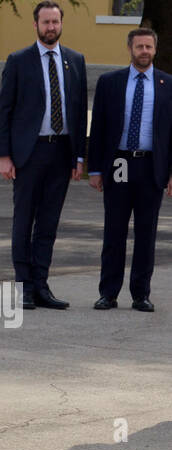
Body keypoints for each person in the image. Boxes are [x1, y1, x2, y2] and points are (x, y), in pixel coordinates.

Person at [0, 1, 87, 310]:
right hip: (28, 153)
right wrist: (4, 155)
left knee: (48, 223)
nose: (51, 27)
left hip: (61, 152)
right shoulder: (19, 61)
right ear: (35, 25)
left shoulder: (75, 61)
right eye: (46, 22)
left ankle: (42, 285)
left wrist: (79, 157)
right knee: (24, 220)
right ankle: (24, 287)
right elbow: (4, 110)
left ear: (61, 24)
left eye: (55, 22)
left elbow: (78, 111)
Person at [87, 27, 172, 312]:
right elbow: (97, 128)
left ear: (155, 49)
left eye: (149, 47)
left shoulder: (167, 84)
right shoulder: (110, 82)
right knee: (114, 231)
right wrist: (95, 169)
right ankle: (108, 293)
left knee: (146, 233)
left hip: (151, 165)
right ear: (130, 49)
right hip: (119, 163)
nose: (144, 51)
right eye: (139, 47)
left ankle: (141, 295)